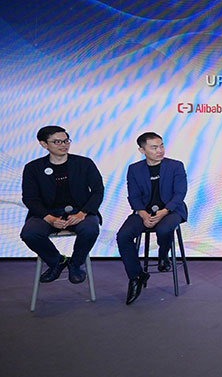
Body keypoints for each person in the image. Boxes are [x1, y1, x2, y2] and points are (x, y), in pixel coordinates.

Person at [21, 125, 103, 285]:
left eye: (66, 141)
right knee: (30, 234)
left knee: (90, 229)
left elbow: (98, 191)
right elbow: (30, 198)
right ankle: (57, 261)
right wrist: (49, 218)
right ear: (44, 144)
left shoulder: (84, 163)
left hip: (80, 211)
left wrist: (83, 213)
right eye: (57, 142)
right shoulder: (33, 168)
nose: (64, 145)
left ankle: (76, 264)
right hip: (47, 212)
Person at [117, 132, 188, 305]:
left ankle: (163, 255)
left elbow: (180, 193)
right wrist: (142, 213)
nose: (160, 150)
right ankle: (136, 276)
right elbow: (133, 196)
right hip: (144, 212)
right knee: (123, 236)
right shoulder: (134, 169)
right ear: (142, 150)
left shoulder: (175, 166)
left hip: (171, 210)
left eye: (161, 146)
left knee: (164, 228)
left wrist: (164, 211)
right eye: (154, 147)